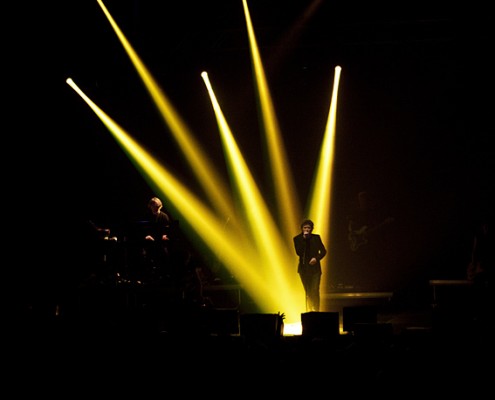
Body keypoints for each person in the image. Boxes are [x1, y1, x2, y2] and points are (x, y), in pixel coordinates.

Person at [293, 219, 327, 312]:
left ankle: (316, 310)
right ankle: (310, 309)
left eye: (308, 228)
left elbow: (323, 251)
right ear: (302, 229)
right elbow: (298, 252)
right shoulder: (297, 239)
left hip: (315, 269)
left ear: (312, 229)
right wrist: (304, 240)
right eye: (305, 228)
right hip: (303, 269)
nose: (307, 229)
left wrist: (316, 258)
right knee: (307, 291)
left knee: (315, 290)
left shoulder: (316, 238)